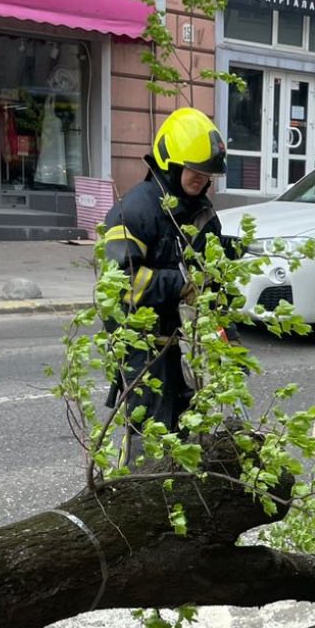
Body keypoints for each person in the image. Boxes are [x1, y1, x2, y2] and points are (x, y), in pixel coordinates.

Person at [100, 108, 230, 457]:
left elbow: (212, 281)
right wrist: (182, 283)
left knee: (189, 429)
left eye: (207, 174)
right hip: (143, 345)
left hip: (186, 343)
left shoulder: (201, 213)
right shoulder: (134, 211)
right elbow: (118, 285)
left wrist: (226, 334)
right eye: (195, 171)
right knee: (150, 434)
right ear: (170, 164)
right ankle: (136, 485)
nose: (202, 180)